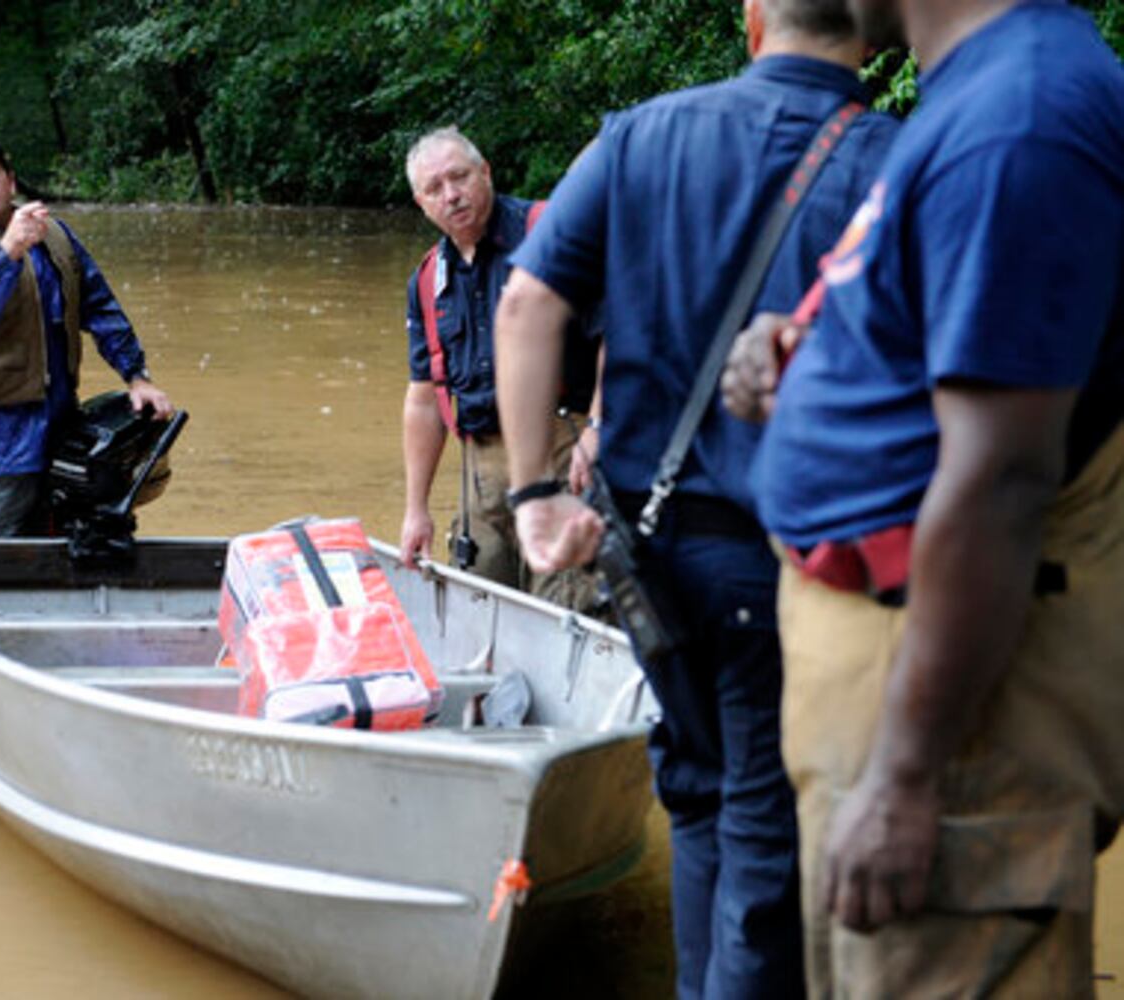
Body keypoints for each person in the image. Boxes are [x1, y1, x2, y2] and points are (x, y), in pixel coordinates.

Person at [492, 1, 899, 994]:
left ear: (752, 21)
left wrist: (534, 495)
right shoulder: (900, 161)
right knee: (766, 829)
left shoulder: (638, 135)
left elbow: (524, 301)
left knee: (693, 793)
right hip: (793, 563)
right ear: (875, 34)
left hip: (646, 558)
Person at [720, 0, 1124, 994]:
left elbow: (999, 475)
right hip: (896, 680)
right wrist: (807, 354)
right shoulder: (979, 92)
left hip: (948, 722)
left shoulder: (1017, 117)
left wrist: (905, 779)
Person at [0, 133, 174, 538]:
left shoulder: (53, 234)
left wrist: (136, 376)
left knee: (67, 544)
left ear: (11, 182)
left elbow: (100, 306)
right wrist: (8, 251)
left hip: (56, 429)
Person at [400, 126, 601, 607]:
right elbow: (425, 399)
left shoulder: (551, 232)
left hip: (564, 449)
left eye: (460, 177)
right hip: (481, 470)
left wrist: (599, 428)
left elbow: (621, 334)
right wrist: (416, 510)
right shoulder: (428, 278)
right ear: (420, 203)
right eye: (435, 188)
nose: (451, 195)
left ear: (485, 172)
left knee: (565, 608)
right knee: (476, 608)